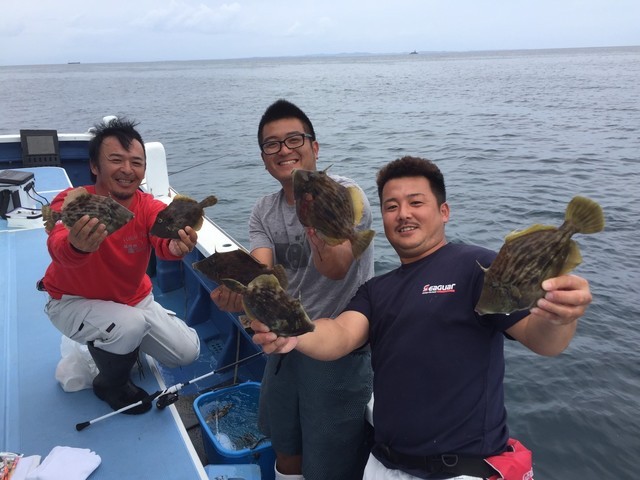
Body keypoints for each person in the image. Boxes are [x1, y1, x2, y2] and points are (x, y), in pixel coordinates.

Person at [252, 156, 593, 480]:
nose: (403, 214)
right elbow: (339, 334)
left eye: (416, 202)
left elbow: (542, 340)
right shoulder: (376, 289)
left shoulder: (476, 267)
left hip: (462, 468)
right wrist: (294, 332)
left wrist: (560, 316)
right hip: (385, 465)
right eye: (391, 207)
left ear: (444, 212)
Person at [210, 99, 375, 480]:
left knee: (328, 462)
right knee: (284, 445)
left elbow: (336, 268)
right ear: (264, 158)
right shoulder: (264, 210)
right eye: (272, 144)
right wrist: (239, 294)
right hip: (284, 341)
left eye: (294, 139)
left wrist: (317, 232)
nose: (284, 150)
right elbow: (263, 273)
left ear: (314, 147)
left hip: (338, 346)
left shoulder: (345, 194)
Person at [42, 117, 200, 415]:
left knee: (186, 352)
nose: (127, 169)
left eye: (136, 162)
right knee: (129, 326)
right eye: (116, 160)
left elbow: (163, 239)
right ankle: (110, 384)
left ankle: (121, 344)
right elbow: (57, 244)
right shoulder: (71, 201)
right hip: (72, 300)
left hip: (132, 298)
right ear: (95, 166)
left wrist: (175, 246)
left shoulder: (148, 206)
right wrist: (77, 246)